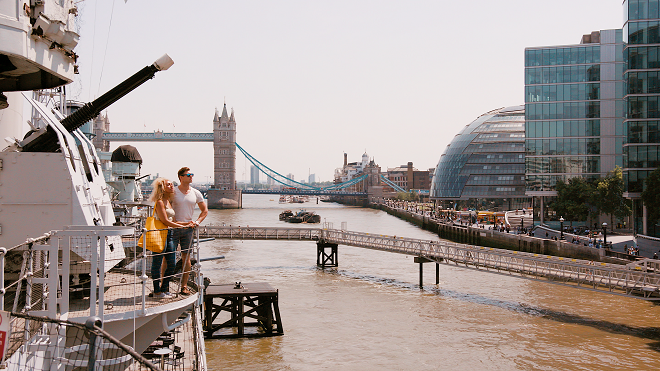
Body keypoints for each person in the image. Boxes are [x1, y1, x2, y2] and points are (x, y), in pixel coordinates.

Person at [149, 178, 190, 298]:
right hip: (160, 234)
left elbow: (174, 220)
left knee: (171, 263)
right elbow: (165, 221)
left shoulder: (168, 201)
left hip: (169, 234)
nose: (172, 186)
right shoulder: (160, 201)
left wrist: (188, 223)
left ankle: (164, 289)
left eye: (172, 184)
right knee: (157, 263)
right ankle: (157, 291)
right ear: (162, 187)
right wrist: (182, 226)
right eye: (168, 185)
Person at [171, 167, 208, 294]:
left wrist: (197, 222)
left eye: (192, 174)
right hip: (172, 228)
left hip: (188, 229)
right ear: (180, 177)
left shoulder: (196, 193)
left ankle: (184, 286)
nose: (191, 176)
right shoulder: (173, 191)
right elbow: (167, 208)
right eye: (188, 175)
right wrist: (174, 221)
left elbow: (205, 211)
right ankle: (163, 285)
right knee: (168, 257)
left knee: (186, 258)